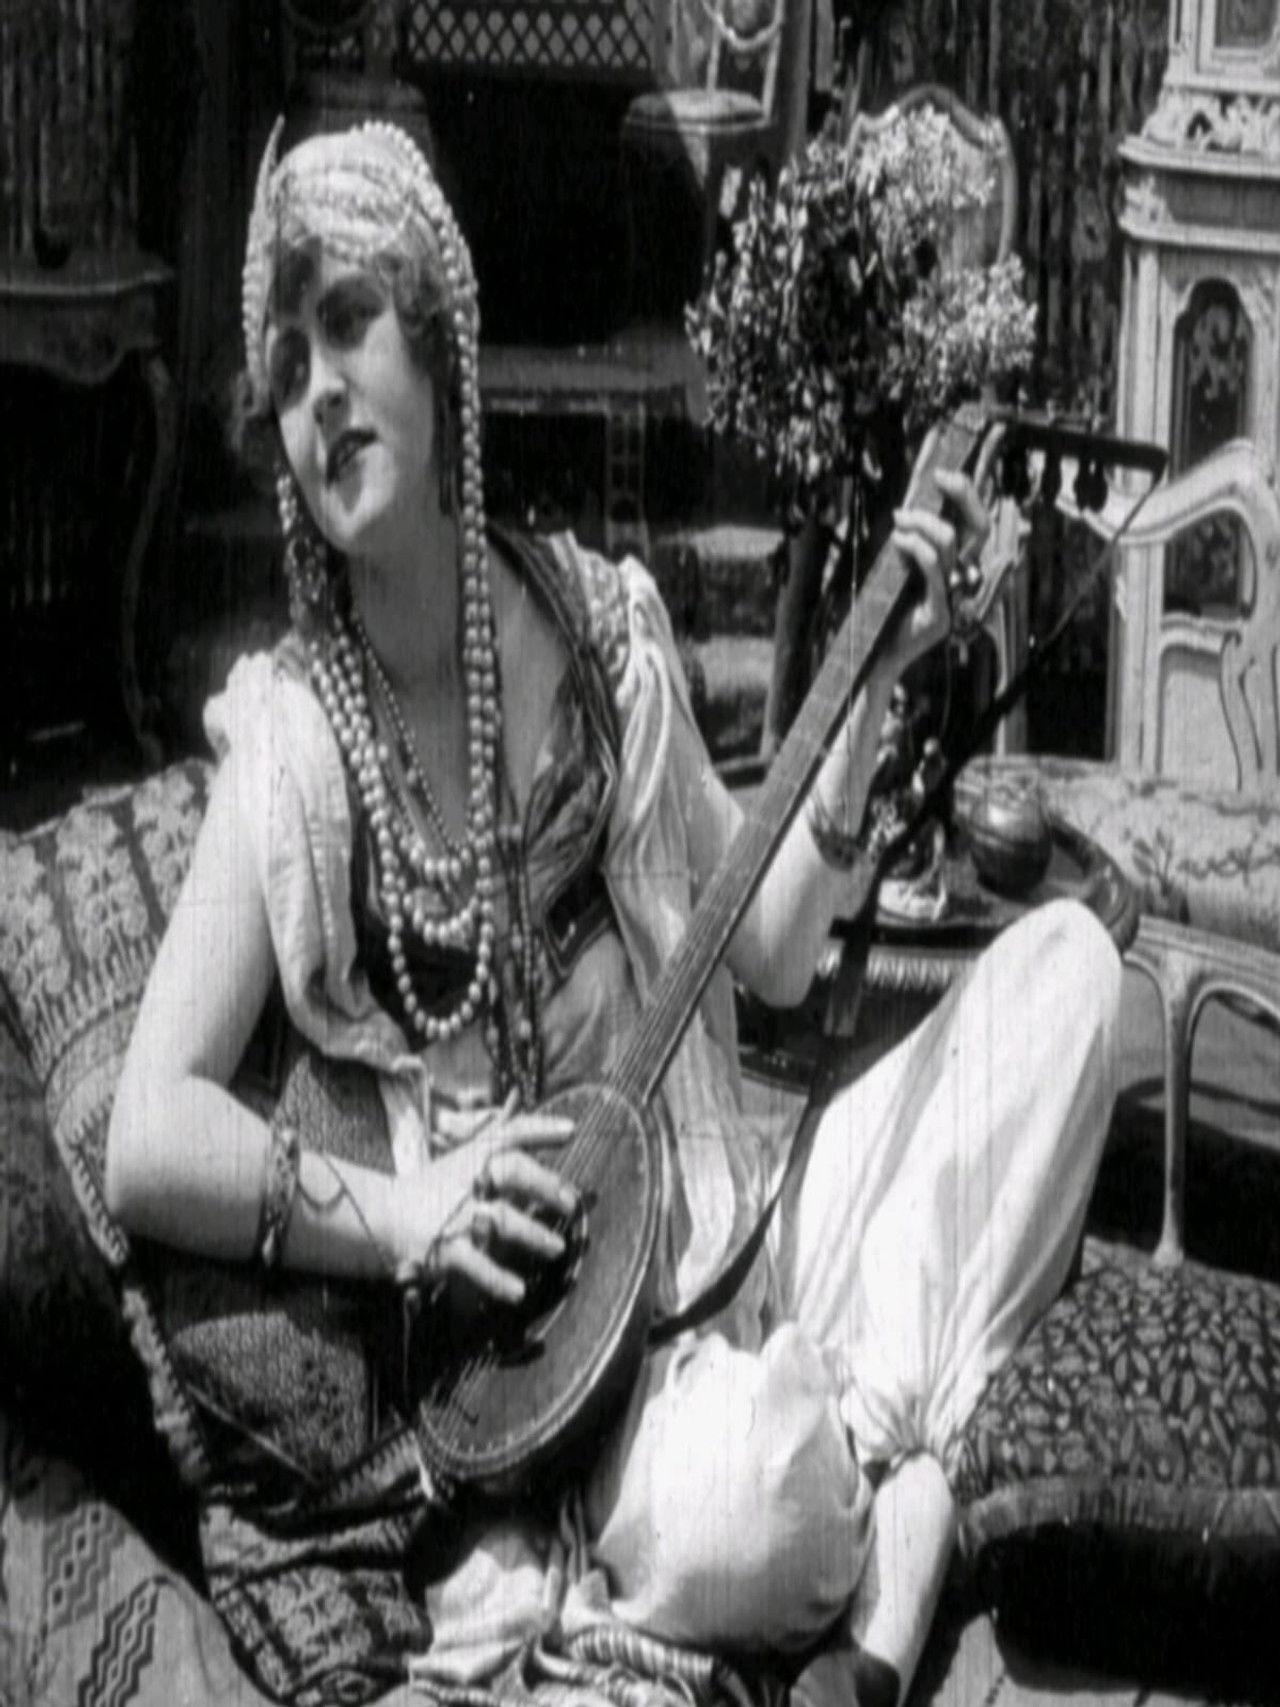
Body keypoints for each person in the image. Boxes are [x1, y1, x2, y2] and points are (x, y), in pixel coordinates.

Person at [104, 114, 1121, 1707]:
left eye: (350, 325)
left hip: (749, 1214)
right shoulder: (297, 744)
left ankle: (868, 1459)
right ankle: (891, 1518)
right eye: (286, 368)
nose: (319, 392)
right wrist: (408, 1210)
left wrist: (876, 685)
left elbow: (768, 952)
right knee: (736, 1517)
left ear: (439, 342)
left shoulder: (604, 630)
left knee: (1071, 971)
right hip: (599, 1379)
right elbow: (147, 1136)